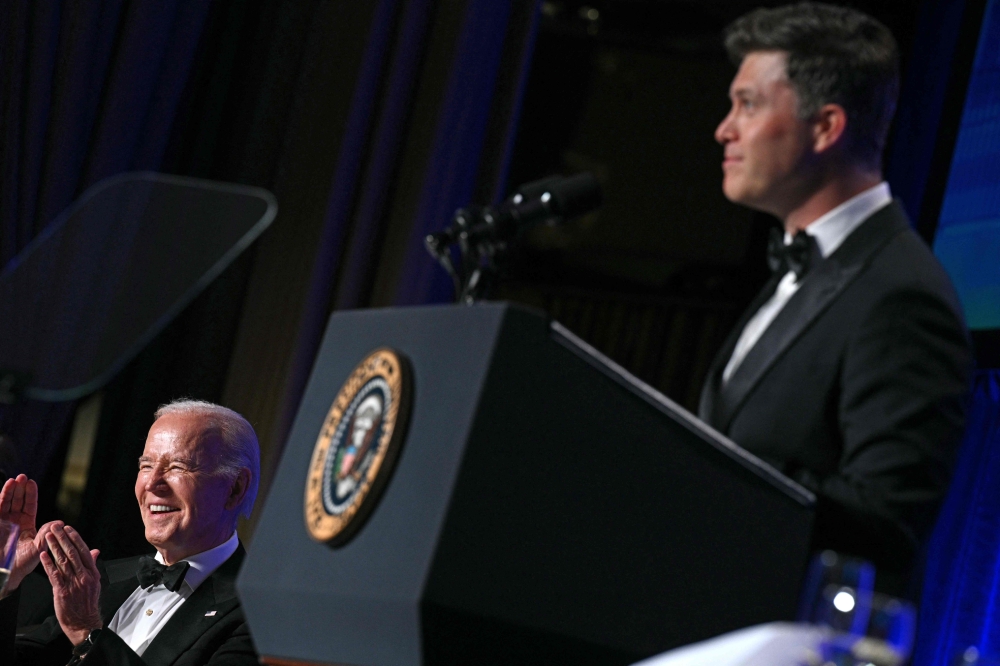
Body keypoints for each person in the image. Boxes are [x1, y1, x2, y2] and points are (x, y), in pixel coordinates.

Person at [698, 2, 972, 590]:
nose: (725, 129)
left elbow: (886, 520)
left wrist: (702, 478)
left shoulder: (902, 294)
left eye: (748, 105)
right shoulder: (801, 270)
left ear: (826, 127)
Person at [0, 399, 260, 665]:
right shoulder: (99, 582)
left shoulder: (259, 615)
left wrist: (88, 632)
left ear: (235, 488)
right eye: (146, 466)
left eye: (178, 466)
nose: (152, 483)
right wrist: (4, 579)